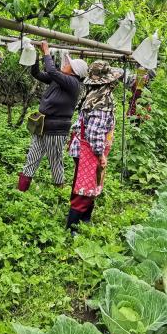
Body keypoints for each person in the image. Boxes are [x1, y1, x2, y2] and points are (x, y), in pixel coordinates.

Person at [18, 41, 88, 191]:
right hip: (42, 124)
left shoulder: (73, 83)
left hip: (56, 128)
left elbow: (52, 71)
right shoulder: (60, 79)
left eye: (69, 64)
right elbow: (36, 73)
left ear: (75, 71)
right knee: (32, 156)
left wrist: (46, 51)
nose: (65, 64)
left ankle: (59, 191)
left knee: (55, 161)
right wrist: (35, 56)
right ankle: (21, 189)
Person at [66, 60, 123, 234]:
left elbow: (80, 123)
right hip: (89, 150)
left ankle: (84, 218)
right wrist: (100, 155)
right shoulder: (102, 101)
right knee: (83, 189)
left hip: (83, 148)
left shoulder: (94, 95)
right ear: (108, 82)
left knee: (89, 186)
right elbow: (95, 132)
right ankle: (72, 227)